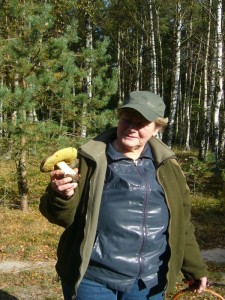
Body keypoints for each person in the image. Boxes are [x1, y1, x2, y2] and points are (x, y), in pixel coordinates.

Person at [39, 91, 208, 300]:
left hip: (149, 282)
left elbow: (182, 223)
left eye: (142, 123)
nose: (131, 129)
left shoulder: (168, 167)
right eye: (127, 120)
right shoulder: (90, 160)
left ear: (157, 128)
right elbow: (60, 217)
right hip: (94, 278)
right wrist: (61, 197)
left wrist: (194, 268)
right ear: (119, 118)